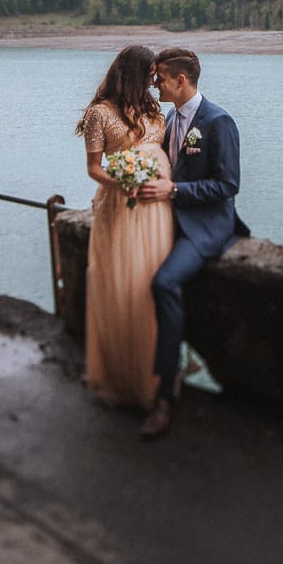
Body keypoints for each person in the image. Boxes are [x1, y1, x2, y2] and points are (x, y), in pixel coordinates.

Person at [133, 47, 249, 438]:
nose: (155, 85)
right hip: (170, 219)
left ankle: (166, 395)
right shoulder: (170, 117)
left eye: (160, 78)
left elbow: (228, 185)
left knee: (163, 283)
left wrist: (174, 190)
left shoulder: (219, 122)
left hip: (206, 226)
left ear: (181, 80)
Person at [74, 45, 174, 412]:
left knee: (151, 284)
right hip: (122, 205)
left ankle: (156, 372)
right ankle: (124, 375)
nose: (154, 80)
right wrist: (122, 182)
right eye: (150, 74)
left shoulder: (153, 109)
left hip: (157, 209)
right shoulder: (99, 114)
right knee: (123, 284)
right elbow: (94, 168)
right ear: (134, 73)